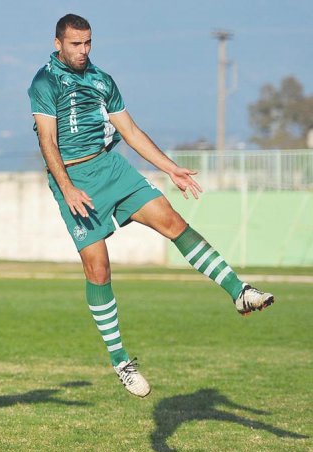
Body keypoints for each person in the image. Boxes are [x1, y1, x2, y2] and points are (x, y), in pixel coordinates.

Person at [27, 14, 274, 398]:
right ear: (58, 43)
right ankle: (121, 361)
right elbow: (47, 141)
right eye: (75, 44)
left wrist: (171, 168)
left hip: (110, 167)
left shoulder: (102, 80)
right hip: (74, 180)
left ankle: (238, 290)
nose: (83, 50)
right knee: (98, 268)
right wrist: (67, 188)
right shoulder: (44, 82)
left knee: (172, 221)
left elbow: (130, 131)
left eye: (88, 42)